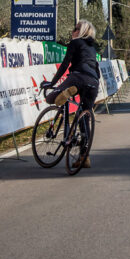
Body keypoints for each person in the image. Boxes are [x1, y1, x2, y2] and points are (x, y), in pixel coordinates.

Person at [44, 20, 101, 168]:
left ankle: (69, 91)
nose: (72, 31)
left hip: (77, 77)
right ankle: (85, 157)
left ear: (81, 31)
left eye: (75, 29)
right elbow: (97, 70)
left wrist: (52, 82)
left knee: (50, 98)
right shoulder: (93, 48)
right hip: (93, 82)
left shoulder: (75, 43)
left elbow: (65, 64)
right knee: (84, 118)